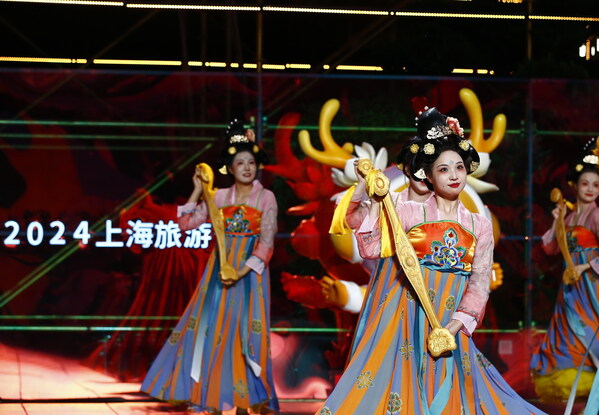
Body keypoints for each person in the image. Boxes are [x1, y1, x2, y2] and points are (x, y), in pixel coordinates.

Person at [318, 108, 545, 414]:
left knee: (450, 394)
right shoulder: (408, 209)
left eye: (459, 168)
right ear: (428, 174)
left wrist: (454, 326)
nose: (453, 176)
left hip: (450, 323)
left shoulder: (480, 223)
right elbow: (369, 246)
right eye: (443, 169)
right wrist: (367, 189)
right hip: (406, 319)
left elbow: (479, 283)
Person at [141, 120, 279, 414]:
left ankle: (248, 400)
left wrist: (239, 272)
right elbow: (184, 224)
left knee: (246, 334)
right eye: (239, 162)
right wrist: (196, 191)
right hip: (217, 274)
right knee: (209, 331)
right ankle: (211, 396)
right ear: (229, 168)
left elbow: (266, 245)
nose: (246, 167)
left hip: (249, 277)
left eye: (251, 162)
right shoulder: (218, 197)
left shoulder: (265, 197)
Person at [321, 136, 431, 314]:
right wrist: (362, 185)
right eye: (416, 166)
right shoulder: (385, 202)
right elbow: (349, 221)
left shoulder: (453, 210)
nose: (422, 173)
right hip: (393, 297)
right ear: (405, 169)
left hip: (437, 298)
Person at [530, 138, 599, 403]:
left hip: (592, 285)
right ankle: (572, 384)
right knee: (566, 331)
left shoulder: (596, 216)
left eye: (596, 185)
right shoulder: (570, 216)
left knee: (588, 328)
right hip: (571, 287)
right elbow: (549, 248)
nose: (591, 189)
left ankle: (592, 385)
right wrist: (557, 220)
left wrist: (585, 266)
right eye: (585, 184)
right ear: (574, 186)